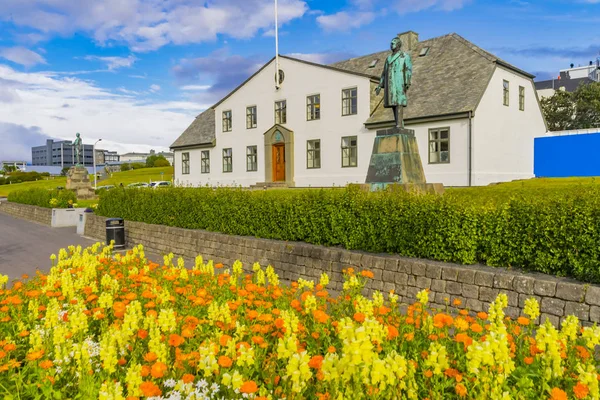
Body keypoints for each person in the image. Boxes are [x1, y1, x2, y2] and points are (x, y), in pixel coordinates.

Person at [375, 37, 413, 128]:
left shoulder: (404, 56)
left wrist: (407, 82)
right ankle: (398, 122)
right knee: (392, 103)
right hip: (390, 82)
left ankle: (399, 124)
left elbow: (408, 69)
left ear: (398, 44)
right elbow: (384, 73)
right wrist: (380, 85)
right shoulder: (388, 58)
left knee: (399, 102)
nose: (391, 45)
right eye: (391, 43)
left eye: (393, 43)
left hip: (399, 81)